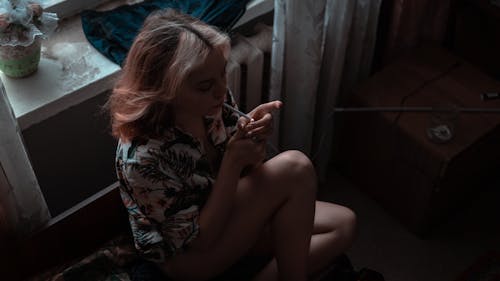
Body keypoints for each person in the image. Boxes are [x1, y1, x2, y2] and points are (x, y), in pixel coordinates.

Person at [107, 8, 356, 281]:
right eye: (204, 86)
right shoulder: (142, 156)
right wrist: (233, 163)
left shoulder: (214, 105)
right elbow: (199, 241)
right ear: (165, 90)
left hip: (228, 215)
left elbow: (252, 177)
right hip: (189, 259)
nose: (221, 90)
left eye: (222, 75)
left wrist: (253, 142)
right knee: (295, 168)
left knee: (342, 224)